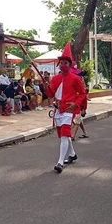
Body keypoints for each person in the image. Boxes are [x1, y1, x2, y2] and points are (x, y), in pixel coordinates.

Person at [44, 43, 86, 173]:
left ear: (69, 64)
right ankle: (72, 154)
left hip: (69, 110)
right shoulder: (55, 78)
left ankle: (60, 162)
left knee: (64, 135)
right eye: (61, 62)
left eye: (65, 63)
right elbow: (50, 94)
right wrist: (46, 88)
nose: (63, 65)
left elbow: (83, 93)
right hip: (58, 110)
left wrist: (76, 104)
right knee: (63, 135)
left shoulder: (75, 78)